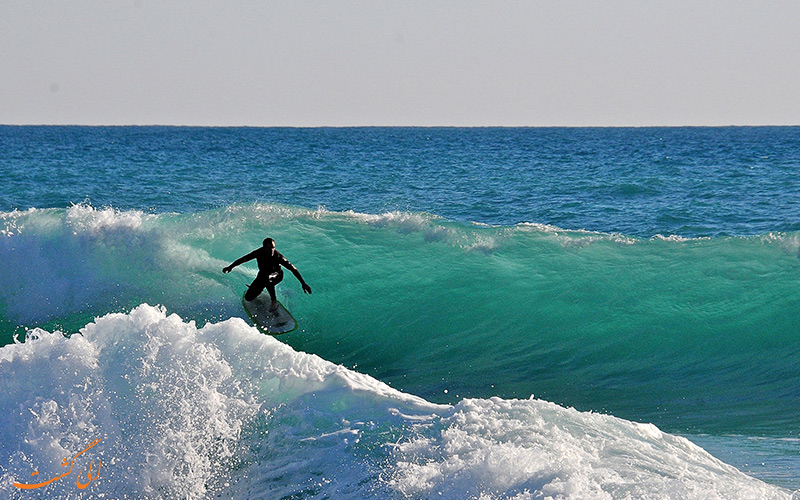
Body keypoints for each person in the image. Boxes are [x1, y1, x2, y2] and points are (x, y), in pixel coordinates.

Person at [223, 238, 312, 309]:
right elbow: (243, 259)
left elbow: (293, 269)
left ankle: (274, 301)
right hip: (262, 276)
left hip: (277, 275)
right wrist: (231, 266)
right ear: (264, 247)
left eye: (273, 248)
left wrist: (303, 283)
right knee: (248, 298)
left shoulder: (278, 256)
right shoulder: (258, 252)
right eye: (269, 248)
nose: (272, 250)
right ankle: (259, 289)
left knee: (267, 279)